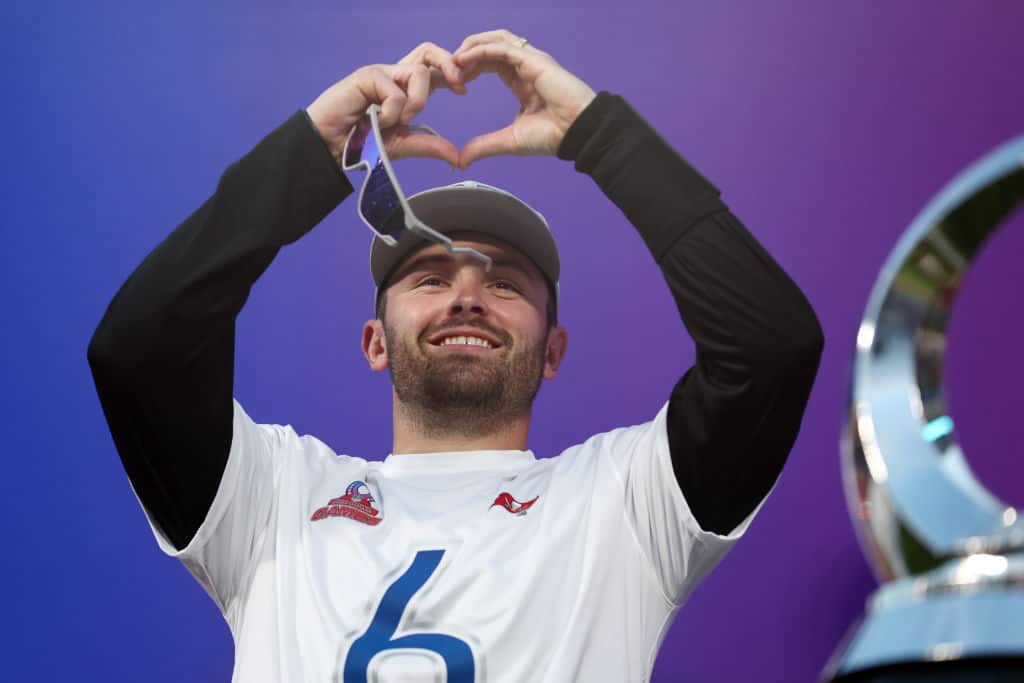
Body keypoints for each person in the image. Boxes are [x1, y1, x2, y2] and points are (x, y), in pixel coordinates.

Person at [87, 29, 823, 682]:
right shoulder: (272, 497)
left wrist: (602, 137)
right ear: (375, 342)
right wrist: (314, 152)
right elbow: (141, 347)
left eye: (505, 282)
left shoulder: (624, 503)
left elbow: (770, 347)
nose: (467, 297)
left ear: (553, 350)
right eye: (430, 277)